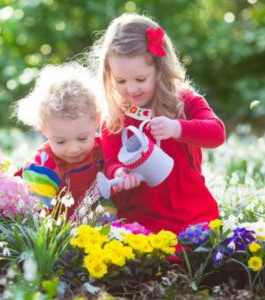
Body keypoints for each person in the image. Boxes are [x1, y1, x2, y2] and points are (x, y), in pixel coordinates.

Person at [90, 13, 226, 234]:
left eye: (140, 79)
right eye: (121, 81)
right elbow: (112, 160)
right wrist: (119, 173)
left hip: (189, 212)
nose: (131, 89)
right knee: (134, 257)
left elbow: (217, 133)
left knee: (190, 251)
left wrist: (177, 128)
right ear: (109, 75)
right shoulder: (116, 116)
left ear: (160, 70)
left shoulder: (184, 101)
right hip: (139, 216)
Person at [15, 62, 114, 218]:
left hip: (94, 229)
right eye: (61, 142)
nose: (73, 149)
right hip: (55, 232)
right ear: (44, 129)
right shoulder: (44, 164)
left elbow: (111, 193)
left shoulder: (102, 149)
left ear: (96, 120)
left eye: (82, 138)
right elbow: (38, 213)